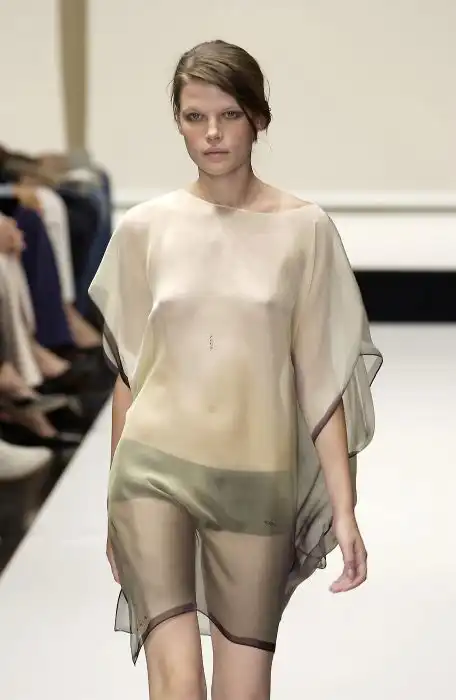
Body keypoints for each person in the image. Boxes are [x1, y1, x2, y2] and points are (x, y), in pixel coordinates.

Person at [89, 40, 383, 700]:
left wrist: (344, 509)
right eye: (195, 117)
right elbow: (131, 376)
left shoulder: (304, 230)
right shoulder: (145, 229)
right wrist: (112, 499)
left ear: (258, 119)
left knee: (244, 689)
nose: (212, 134)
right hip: (152, 472)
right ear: (178, 122)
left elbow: (321, 380)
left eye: (229, 115)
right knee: (176, 681)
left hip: (257, 480)